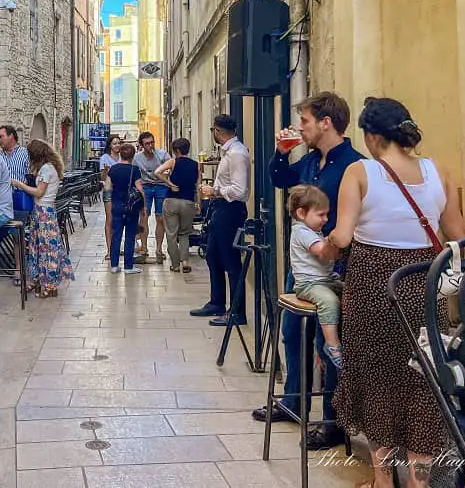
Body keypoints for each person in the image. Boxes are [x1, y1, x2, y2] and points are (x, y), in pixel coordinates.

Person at [326, 97, 465, 488]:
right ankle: (419, 482)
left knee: (375, 379)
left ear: (372, 137)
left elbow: (342, 234)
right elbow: (458, 235)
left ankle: (384, 481)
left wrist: (324, 245)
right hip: (424, 283)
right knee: (422, 380)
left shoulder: (360, 171)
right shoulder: (438, 169)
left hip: (373, 286)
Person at [250, 91, 363, 451]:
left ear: (325, 123)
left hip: (333, 270)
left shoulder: (353, 165)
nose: (301, 128)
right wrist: (281, 151)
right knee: (291, 333)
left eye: (305, 121)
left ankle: (332, 422)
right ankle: (293, 401)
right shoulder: (312, 161)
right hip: (302, 270)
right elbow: (280, 179)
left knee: (326, 344)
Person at [190, 114, 250, 327]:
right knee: (213, 256)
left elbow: (239, 190)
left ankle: (237, 312)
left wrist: (214, 190)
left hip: (230, 210)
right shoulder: (228, 152)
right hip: (221, 209)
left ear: (217, 131)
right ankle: (217, 302)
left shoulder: (237, 154)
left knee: (231, 261)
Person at [288, 185, 342, 367]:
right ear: (302, 213)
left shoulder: (314, 231)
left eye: (327, 214)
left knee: (353, 292)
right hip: (309, 284)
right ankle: (332, 344)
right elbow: (321, 251)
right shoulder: (301, 231)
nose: (326, 219)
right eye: (321, 215)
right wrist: (336, 238)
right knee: (329, 301)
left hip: (327, 280)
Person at [11, 139, 73, 298]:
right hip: (41, 211)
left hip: (44, 212)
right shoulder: (48, 168)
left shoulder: (46, 169)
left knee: (47, 249)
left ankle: (50, 284)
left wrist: (19, 184)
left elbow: (39, 192)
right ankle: (39, 279)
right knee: (38, 247)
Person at [154, 137, 199, 273]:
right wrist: (198, 203)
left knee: (171, 233)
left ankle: (175, 264)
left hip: (171, 201)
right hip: (188, 202)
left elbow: (157, 172)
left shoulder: (173, 162)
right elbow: (197, 186)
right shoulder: (196, 164)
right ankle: (185, 262)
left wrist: (169, 183)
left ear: (177, 151)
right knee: (185, 233)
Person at [104, 143, 144, 275]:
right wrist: (144, 207)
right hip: (131, 207)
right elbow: (140, 189)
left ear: (120, 154)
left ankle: (114, 265)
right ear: (133, 156)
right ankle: (128, 266)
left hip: (116, 205)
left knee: (116, 235)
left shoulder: (113, 169)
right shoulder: (135, 170)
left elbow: (107, 188)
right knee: (130, 236)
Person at [132, 132, 169, 263]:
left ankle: (159, 249)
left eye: (152, 142)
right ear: (141, 145)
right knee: (143, 217)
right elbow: (135, 174)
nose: (150, 145)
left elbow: (170, 168)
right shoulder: (137, 158)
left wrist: (164, 170)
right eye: (147, 143)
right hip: (145, 187)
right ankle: (144, 247)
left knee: (160, 218)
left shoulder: (162, 154)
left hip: (161, 186)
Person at [99, 134, 122, 261]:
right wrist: (106, 171)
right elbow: (102, 177)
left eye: (118, 143)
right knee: (110, 219)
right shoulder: (105, 158)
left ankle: (117, 246)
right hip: (109, 190)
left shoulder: (123, 157)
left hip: (122, 191)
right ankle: (109, 250)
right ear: (110, 145)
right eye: (114, 143)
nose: (117, 145)